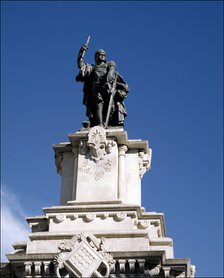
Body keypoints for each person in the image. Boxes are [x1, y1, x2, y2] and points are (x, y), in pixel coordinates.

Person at [76, 44, 129, 127]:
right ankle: (100, 124)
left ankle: (110, 122)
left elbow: (112, 71)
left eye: (104, 54)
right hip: (96, 88)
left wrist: (108, 80)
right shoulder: (92, 68)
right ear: (96, 56)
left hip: (107, 87)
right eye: (101, 54)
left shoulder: (110, 63)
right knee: (98, 106)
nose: (103, 56)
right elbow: (81, 65)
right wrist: (81, 53)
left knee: (111, 106)